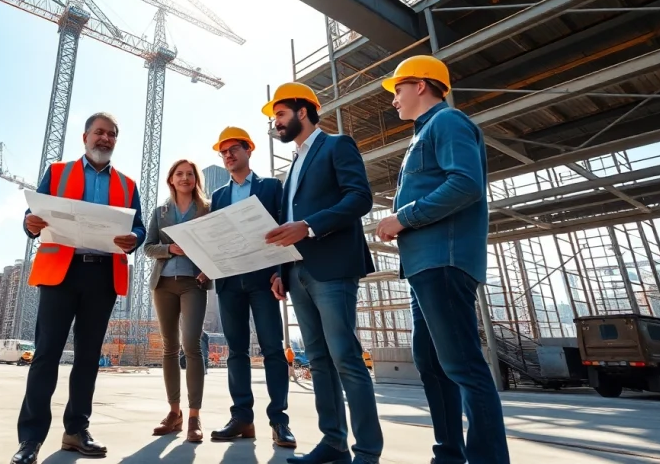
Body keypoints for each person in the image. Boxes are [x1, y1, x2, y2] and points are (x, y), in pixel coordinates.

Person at [375, 56, 510, 464]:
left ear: (421, 85)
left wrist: (404, 216)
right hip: (422, 266)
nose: (393, 99)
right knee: (432, 364)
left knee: (463, 364)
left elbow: (466, 184)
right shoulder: (423, 134)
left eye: (398, 89)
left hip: (443, 261)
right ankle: (448, 454)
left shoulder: (448, 123)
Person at [12, 113, 146, 464]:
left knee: (88, 359)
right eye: (99, 133)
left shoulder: (129, 185)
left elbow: (141, 228)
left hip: (103, 277)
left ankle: (76, 430)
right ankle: (30, 439)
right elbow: (33, 215)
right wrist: (29, 223)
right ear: (85, 136)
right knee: (46, 356)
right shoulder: (57, 173)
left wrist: (136, 239)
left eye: (112, 135)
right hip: (61, 273)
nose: (105, 139)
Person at [263, 83, 383, 464]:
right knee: (317, 361)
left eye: (280, 115)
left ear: (303, 111)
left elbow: (359, 197)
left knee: (345, 356)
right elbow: (287, 221)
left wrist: (311, 226)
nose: (276, 124)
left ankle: (366, 451)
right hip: (297, 272)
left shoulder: (337, 146)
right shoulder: (293, 166)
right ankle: (333, 444)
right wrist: (281, 271)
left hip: (332, 268)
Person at [208, 126, 295, 448]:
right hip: (230, 282)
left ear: (249, 151)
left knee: (273, 349)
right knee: (236, 352)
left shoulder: (272, 188)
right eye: (223, 152)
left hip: (264, 280)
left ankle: (279, 421)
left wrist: (280, 271)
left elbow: (284, 229)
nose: (228, 156)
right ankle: (242, 417)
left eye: (234, 150)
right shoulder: (218, 197)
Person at [144, 159, 211, 443]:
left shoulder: (207, 209)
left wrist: (209, 269)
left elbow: (216, 244)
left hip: (193, 283)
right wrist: (168, 248)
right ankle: (175, 414)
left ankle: (194, 416)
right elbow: (147, 247)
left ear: (196, 180)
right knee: (170, 348)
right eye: (179, 174)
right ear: (171, 179)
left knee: (191, 345)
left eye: (190, 174)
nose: (184, 178)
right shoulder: (160, 212)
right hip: (163, 285)